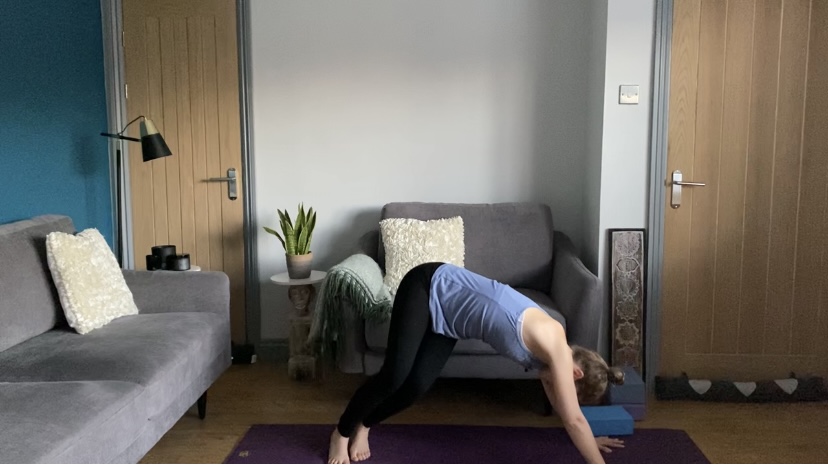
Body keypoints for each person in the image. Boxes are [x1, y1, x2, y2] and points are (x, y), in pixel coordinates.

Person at [328, 262, 626, 464]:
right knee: (394, 376)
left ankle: (365, 424)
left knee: (415, 387)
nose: (566, 393)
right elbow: (573, 419)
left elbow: (564, 409)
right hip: (428, 284)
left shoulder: (552, 355)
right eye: (573, 391)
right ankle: (341, 433)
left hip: (448, 320)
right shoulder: (557, 349)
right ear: (576, 373)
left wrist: (589, 439)